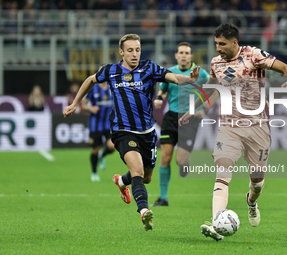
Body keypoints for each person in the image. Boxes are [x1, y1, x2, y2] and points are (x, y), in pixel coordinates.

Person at [63, 34, 200, 231]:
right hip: (123, 131)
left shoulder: (149, 68)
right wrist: (75, 103)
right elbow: (90, 80)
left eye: (137, 50)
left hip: (148, 132)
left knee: (146, 178)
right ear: (121, 52)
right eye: (130, 50)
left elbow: (174, 77)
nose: (134, 54)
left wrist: (189, 79)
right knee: (138, 171)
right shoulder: (110, 71)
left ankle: (121, 181)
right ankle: (144, 211)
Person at [179, 24, 287, 241]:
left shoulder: (253, 55)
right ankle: (216, 223)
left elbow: (285, 68)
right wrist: (193, 109)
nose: (218, 48)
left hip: (257, 126)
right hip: (229, 126)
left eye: (222, 44)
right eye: (216, 43)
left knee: (257, 181)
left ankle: (251, 201)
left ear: (235, 42)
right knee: (222, 171)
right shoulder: (216, 63)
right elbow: (214, 87)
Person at [151, 42, 210, 207]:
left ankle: (185, 163)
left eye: (187, 53)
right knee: (165, 156)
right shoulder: (171, 73)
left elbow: (214, 89)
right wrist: (159, 99)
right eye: (181, 52)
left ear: (191, 56)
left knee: (180, 161)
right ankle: (163, 198)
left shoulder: (201, 74)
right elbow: (162, 89)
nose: (184, 55)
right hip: (171, 117)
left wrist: (203, 109)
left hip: (190, 120)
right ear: (176, 56)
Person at [81, 81, 115, 182]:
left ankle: (102, 155)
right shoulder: (93, 88)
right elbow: (84, 104)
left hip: (108, 124)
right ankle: (94, 172)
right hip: (95, 124)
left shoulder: (112, 87)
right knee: (95, 150)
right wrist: (90, 108)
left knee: (113, 146)